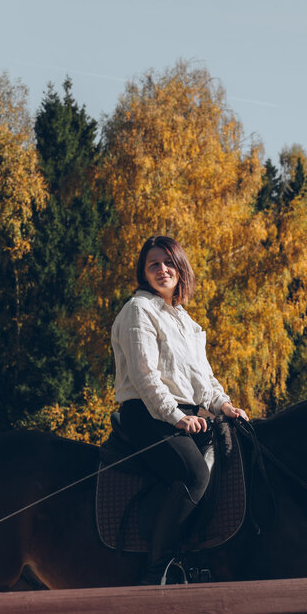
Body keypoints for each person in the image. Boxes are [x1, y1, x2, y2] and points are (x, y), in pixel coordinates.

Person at [111, 235, 248, 584]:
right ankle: (157, 568)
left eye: (168, 263)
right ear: (144, 272)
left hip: (185, 416)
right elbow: (145, 376)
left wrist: (224, 405)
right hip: (146, 413)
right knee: (195, 475)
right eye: (153, 264)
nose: (162, 270)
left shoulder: (187, 323)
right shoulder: (138, 309)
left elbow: (202, 379)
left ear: (180, 269)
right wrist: (177, 417)